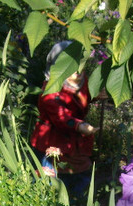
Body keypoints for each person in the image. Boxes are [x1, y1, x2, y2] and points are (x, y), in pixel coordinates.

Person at [31, 41, 97, 192]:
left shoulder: (82, 82)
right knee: (50, 181)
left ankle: (77, 203)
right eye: (72, 68)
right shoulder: (50, 90)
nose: (78, 72)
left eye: (80, 66)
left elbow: (85, 97)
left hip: (74, 143)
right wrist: (79, 125)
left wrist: (98, 93)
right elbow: (60, 116)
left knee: (79, 175)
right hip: (52, 142)